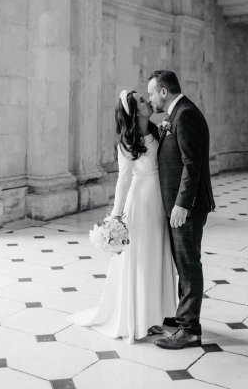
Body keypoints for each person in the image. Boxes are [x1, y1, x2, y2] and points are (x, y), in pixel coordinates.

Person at [71, 89, 177, 344]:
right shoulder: (127, 143)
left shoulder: (158, 131)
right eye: (142, 100)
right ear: (133, 111)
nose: (148, 101)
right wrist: (116, 216)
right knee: (140, 259)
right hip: (139, 205)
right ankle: (139, 318)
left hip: (159, 202)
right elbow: (124, 179)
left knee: (156, 256)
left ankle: (157, 315)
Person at [147, 70, 215, 350]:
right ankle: (182, 317)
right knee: (182, 263)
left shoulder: (184, 115)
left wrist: (181, 204)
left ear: (164, 91)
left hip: (186, 206)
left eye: (151, 92)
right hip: (181, 204)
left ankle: (190, 330)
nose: (150, 98)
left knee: (188, 265)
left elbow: (192, 164)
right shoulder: (176, 114)